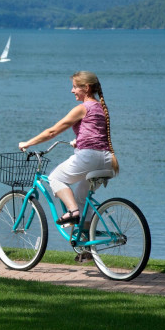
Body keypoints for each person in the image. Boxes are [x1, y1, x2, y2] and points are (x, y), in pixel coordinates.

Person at [18, 70, 119, 229]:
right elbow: (95, 134)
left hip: (89, 158)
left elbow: (52, 132)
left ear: (86, 88)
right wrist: (78, 142)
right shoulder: (100, 108)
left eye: (75, 87)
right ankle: (85, 249)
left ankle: (72, 212)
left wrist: (28, 143)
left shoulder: (82, 108)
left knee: (55, 178)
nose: (72, 91)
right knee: (81, 198)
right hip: (106, 159)